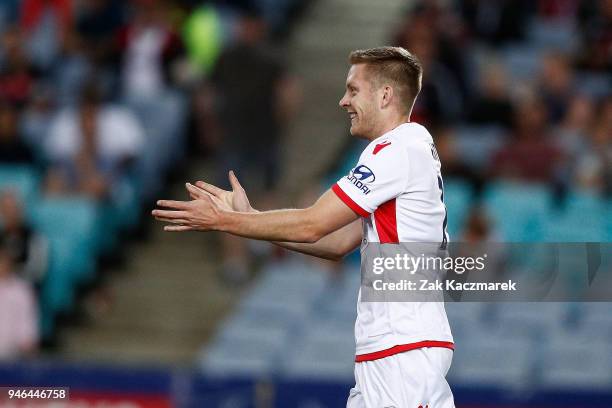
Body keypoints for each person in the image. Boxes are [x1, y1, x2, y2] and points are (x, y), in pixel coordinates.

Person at [153, 46, 455, 408]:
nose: (343, 101)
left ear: (385, 94)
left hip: (403, 351)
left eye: (353, 90)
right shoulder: (410, 150)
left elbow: (313, 224)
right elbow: (337, 242)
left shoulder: (395, 152)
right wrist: (244, 222)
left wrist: (226, 219)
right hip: (397, 349)